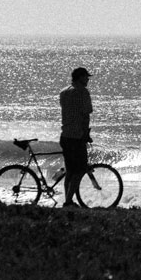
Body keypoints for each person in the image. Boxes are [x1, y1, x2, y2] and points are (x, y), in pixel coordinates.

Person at [60, 67, 93, 208]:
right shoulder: (82, 92)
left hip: (65, 135)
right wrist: (86, 134)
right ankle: (68, 202)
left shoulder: (64, 92)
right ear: (79, 77)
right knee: (79, 170)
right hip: (77, 136)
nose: (88, 80)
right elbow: (86, 115)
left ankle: (68, 200)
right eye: (86, 77)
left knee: (70, 171)